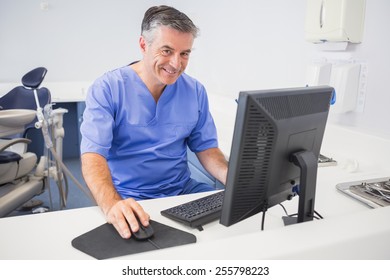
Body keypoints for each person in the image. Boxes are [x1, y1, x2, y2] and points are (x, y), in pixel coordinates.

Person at [80, 5, 228, 239]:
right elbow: (92, 156)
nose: (176, 63)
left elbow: (207, 148)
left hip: (182, 191)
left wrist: (234, 178)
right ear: (143, 45)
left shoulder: (195, 91)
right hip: (129, 195)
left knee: (231, 227)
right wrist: (112, 204)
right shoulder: (108, 88)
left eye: (184, 53)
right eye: (166, 51)